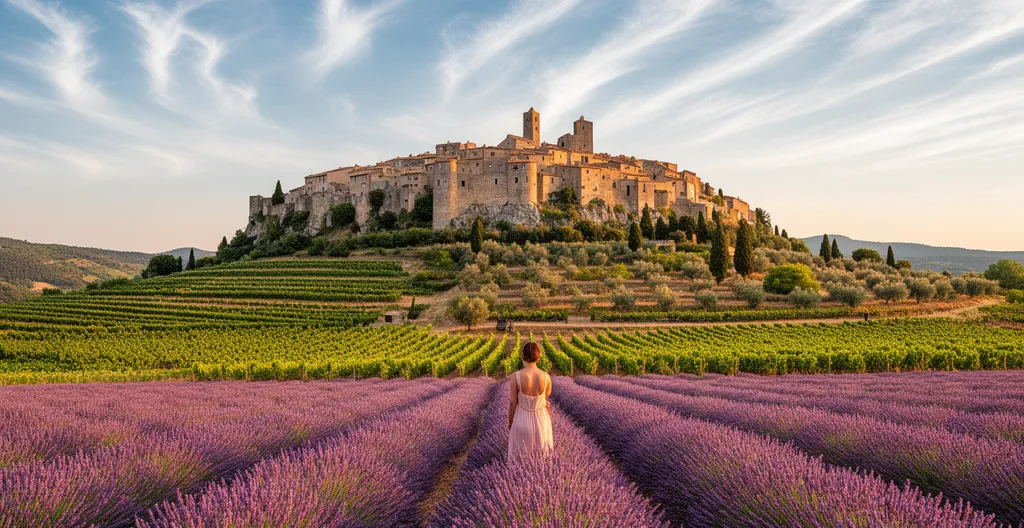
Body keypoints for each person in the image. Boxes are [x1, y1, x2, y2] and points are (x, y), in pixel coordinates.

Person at [507, 342, 553, 462]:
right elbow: (545, 398)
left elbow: (513, 403)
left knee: (519, 458)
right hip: (542, 420)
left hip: (521, 419)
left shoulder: (516, 376)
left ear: (523, 356)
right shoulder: (546, 377)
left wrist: (510, 423)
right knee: (542, 459)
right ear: (538, 356)